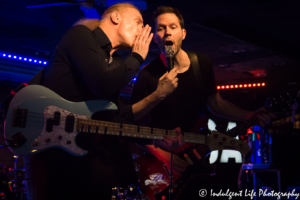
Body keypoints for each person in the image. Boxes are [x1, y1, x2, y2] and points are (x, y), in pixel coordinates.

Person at [22, 3, 182, 200]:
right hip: (46, 147)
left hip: (75, 153)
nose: (142, 29)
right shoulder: (80, 35)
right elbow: (102, 84)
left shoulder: (114, 64)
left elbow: (115, 115)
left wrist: (156, 136)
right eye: (138, 22)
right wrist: (137, 57)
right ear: (115, 18)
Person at [130, 6, 276, 199]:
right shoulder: (147, 74)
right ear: (155, 36)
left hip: (197, 156)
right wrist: (164, 156)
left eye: (172, 26)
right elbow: (132, 124)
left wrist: (249, 115)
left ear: (183, 33)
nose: (167, 32)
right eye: (161, 28)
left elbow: (214, 103)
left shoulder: (201, 63)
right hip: (162, 160)